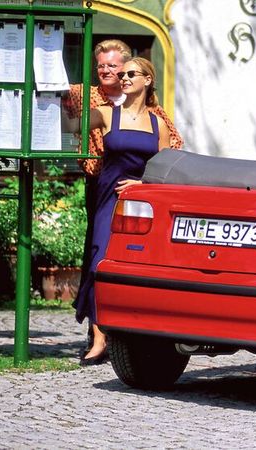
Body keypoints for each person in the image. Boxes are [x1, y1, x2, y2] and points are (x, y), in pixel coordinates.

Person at [63, 39, 183, 360]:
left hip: (141, 199)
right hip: (108, 195)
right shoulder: (104, 112)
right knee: (100, 258)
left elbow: (166, 162)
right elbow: (69, 125)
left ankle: (135, 332)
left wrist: (143, 183)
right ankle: (99, 338)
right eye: (121, 73)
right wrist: (52, 97)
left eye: (130, 73)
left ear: (147, 80)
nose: (122, 78)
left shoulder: (158, 121)